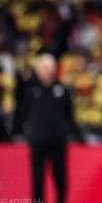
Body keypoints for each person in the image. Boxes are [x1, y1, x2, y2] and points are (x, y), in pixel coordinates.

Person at [13, 53, 79, 203]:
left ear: (55, 69)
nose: (47, 70)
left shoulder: (62, 90)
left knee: (61, 181)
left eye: (50, 67)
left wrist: (75, 134)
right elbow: (21, 112)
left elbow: (70, 115)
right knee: (37, 181)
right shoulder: (29, 90)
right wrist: (18, 132)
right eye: (43, 67)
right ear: (37, 69)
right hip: (38, 142)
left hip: (58, 142)